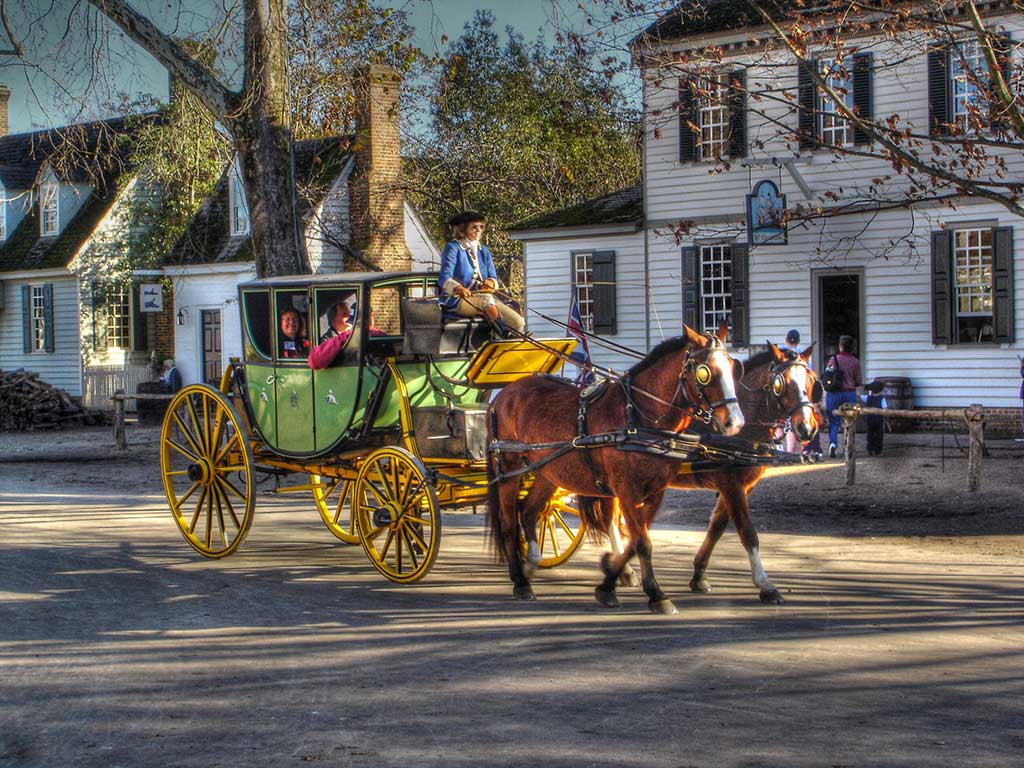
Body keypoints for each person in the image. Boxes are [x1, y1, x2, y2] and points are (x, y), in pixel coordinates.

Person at [438, 210, 525, 334]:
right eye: (474, 227)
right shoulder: (453, 248)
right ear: (463, 229)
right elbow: (444, 278)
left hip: (485, 298)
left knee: (518, 322)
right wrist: (458, 288)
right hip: (457, 300)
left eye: (481, 227)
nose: (478, 230)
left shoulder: (484, 251)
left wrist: (490, 283)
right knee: (485, 299)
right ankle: (504, 333)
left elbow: (493, 277)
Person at [825, 334, 863, 458]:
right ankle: (848, 446)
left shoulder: (833, 359)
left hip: (834, 394)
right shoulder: (856, 362)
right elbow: (858, 380)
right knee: (850, 420)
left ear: (840, 346)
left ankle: (833, 444)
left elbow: (827, 375)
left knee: (834, 421)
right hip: (849, 393)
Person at [308, 302, 352, 370]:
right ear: (333, 319)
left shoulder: (354, 335)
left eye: (350, 314)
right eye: (344, 314)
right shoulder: (326, 340)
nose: (348, 317)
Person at [863, 380, 887, 455]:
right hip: (879, 420)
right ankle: (878, 449)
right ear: (880, 391)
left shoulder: (867, 398)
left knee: (870, 434)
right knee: (879, 435)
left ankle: (870, 448)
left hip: (870, 419)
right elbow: (885, 409)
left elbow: (860, 396)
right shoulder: (882, 399)